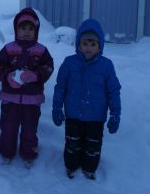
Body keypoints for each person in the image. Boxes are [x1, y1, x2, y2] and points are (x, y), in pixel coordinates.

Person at [52, 18, 122, 180]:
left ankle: (89, 168)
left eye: (93, 44)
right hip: (73, 115)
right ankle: (71, 166)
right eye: (85, 43)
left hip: (96, 118)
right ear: (78, 44)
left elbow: (113, 91)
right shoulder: (69, 63)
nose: (88, 48)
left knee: (93, 145)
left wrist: (115, 113)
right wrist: (56, 107)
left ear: (100, 46)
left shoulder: (106, 66)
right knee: (72, 143)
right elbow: (60, 86)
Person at [0, 7, 54, 168]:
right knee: (8, 127)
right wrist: (7, 76)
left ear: (36, 30)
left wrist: (36, 75)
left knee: (29, 129)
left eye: (30, 28)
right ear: (16, 29)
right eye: (22, 28)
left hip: (32, 101)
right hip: (10, 99)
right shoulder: (9, 49)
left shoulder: (41, 51)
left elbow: (48, 67)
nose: (26, 32)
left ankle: (28, 153)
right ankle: (7, 152)